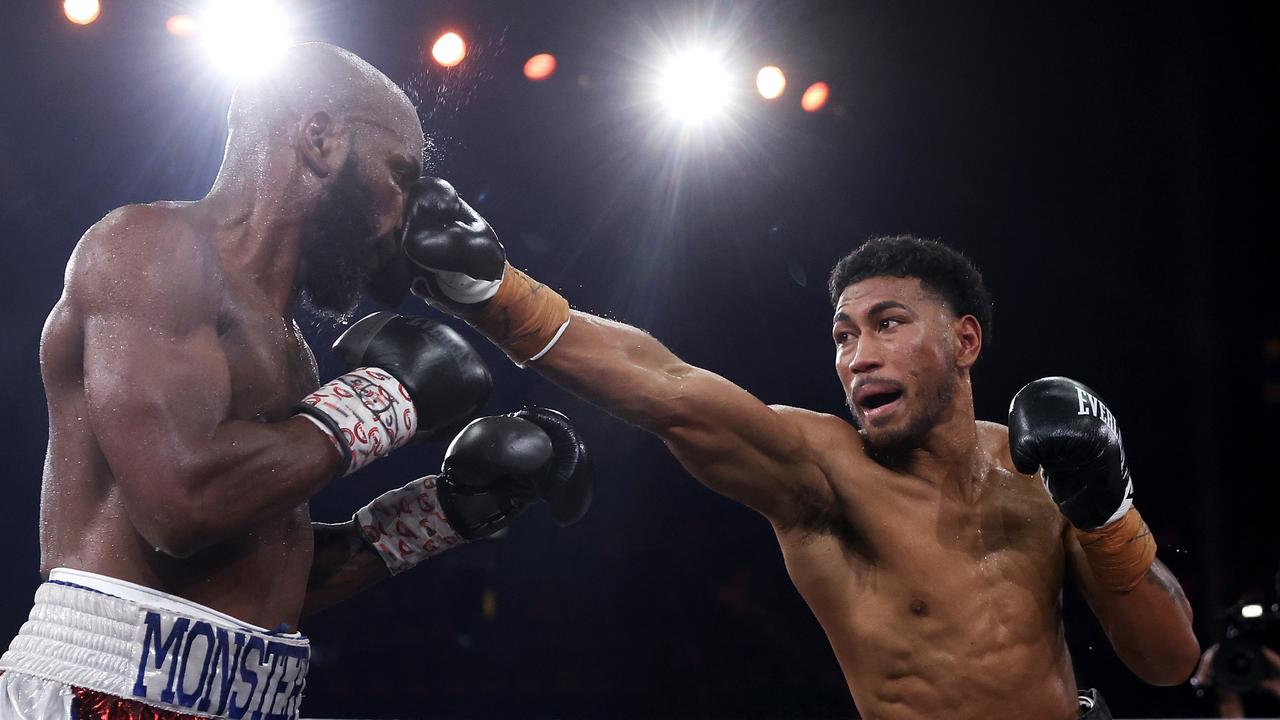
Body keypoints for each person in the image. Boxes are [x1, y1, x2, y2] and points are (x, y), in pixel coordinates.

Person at [398, 180, 1200, 719]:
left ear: (965, 341)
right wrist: (492, 290)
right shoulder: (826, 472)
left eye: (888, 324)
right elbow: (666, 387)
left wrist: (1108, 506)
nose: (857, 358)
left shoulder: (1045, 475)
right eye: (843, 336)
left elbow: (1167, 662)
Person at [0, 44, 591, 720]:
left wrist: (440, 514)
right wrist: (389, 400)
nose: (406, 214)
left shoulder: (290, 350)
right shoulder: (149, 248)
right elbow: (182, 504)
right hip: (101, 694)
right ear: (320, 139)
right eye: (400, 173)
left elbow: (257, 574)